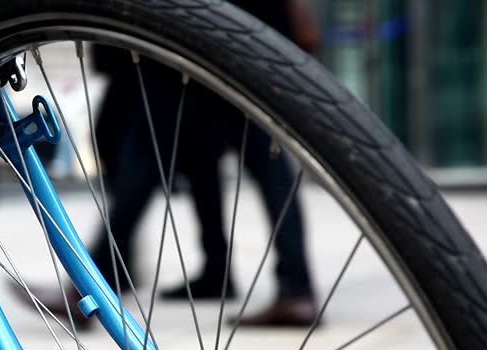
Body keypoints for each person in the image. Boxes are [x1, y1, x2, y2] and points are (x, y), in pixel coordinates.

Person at [20, 0, 319, 328]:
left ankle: (90, 287)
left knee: (146, 162)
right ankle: (236, 275)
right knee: (216, 157)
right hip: (238, 34)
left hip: (187, 39)